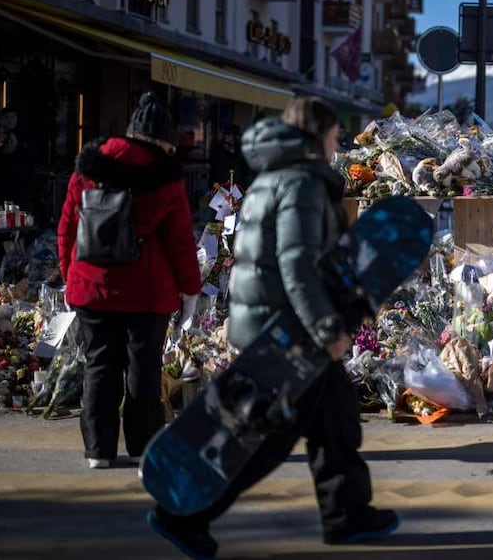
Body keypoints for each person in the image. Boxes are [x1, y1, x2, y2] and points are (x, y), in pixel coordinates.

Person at [147, 97, 399, 559]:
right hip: (288, 332)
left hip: (276, 325)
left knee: (334, 419)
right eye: (333, 134)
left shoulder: (272, 174)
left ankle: (347, 515)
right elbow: (297, 265)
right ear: (316, 135)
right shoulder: (301, 182)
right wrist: (327, 329)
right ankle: (183, 517)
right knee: (269, 436)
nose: (337, 143)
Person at [57, 93, 202, 470]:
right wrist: (190, 288)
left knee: (99, 365)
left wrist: (69, 275)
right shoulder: (166, 176)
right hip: (147, 291)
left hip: (91, 284)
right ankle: (142, 446)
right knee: (143, 368)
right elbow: (180, 241)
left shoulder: (89, 165)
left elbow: (68, 226)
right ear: (161, 139)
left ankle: (98, 450)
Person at [209, 124, 249, 190]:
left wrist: (243, 186)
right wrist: (214, 184)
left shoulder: (240, 150)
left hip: (237, 186)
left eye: (228, 134)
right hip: (221, 186)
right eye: (225, 134)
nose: (226, 136)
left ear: (234, 136)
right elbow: (213, 169)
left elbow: (245, 170)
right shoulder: (218, 149)